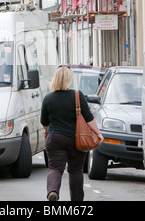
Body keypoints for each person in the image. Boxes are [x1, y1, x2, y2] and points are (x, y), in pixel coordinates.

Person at [41, 66, 104, 201]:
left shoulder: (48, 98)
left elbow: (44, 123)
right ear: (69, 79)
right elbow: (88, 118)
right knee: (75, 170)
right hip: (75, 140)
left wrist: (48, 131)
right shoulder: (77, 95)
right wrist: (98, 133)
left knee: (55, 168)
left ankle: (53, 191)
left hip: (55, 138)